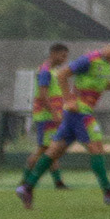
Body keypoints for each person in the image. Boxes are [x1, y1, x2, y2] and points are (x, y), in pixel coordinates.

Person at [17, 35, 110, 207]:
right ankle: (108, 191)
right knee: (96, 148)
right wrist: (68, 99)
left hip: (74, 114)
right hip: (80, 112)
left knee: (54, 151)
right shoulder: (90, 59)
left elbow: (100, 83)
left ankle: (27, 187)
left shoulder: (106, 65)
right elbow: (63, 74)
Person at [28, 45, 71, 192]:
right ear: (53, 54)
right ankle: (25, 181)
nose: (64, 59)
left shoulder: (54, 71)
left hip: (52, 116)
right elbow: (43, 94)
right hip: (46, 116)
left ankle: (58, 182)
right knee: (43, 149)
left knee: (51, 149)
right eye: (63, 56)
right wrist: (54, 113)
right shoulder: (45, 71)